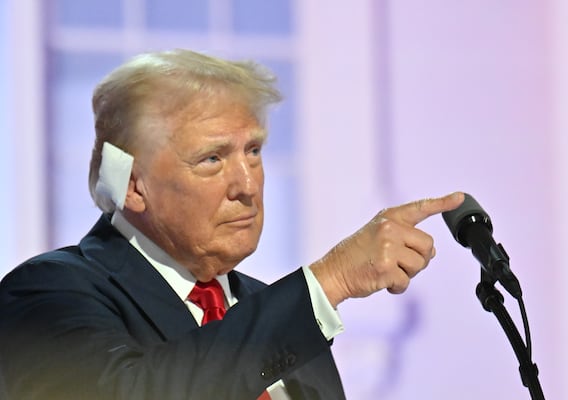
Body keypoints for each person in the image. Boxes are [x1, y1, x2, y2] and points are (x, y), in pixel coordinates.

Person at [0, 49, 464, 400]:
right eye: (212, 158)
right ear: (133, 186)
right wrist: (332, 279)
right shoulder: (46, 292)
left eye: (254, 151)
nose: (247, 184)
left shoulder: (280, 313)